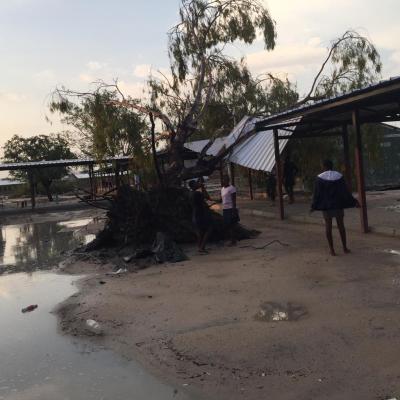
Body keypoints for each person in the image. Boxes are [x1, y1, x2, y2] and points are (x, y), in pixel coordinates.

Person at [311, 159, 358, 256]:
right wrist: (354, 202)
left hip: (326, 206)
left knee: (328, 227)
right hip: (338, 205)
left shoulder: (319, 178)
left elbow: (317, 194)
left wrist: (313, 206)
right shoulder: (339, 176)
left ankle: (332, 250)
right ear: (332, 166)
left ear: (324, 166)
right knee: (341, 226)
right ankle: (344, 248)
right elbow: (345, 192)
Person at [189, 179, 212, 254]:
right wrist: (202, 187)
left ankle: (200, 247)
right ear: (193, 186)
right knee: (208, 230)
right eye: (196, 183)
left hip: (194, 214)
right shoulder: (197, 194)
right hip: (200, 214)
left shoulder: (190, 194)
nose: (197, 184)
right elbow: (207, 197)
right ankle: (202, 247)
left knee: (199, 232)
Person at [221, 175, 239, 246]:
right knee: (227, 225)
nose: (224, 181)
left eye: (226, 180)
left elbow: (234, 200)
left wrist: (234, 210)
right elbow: (222, 199)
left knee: (231, 225)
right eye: (223, 180)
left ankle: (233, 241)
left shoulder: (232, 188)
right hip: (225, 209)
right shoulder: (222, 189)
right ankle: (231, 239)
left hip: (230, 208)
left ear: (228, 180)